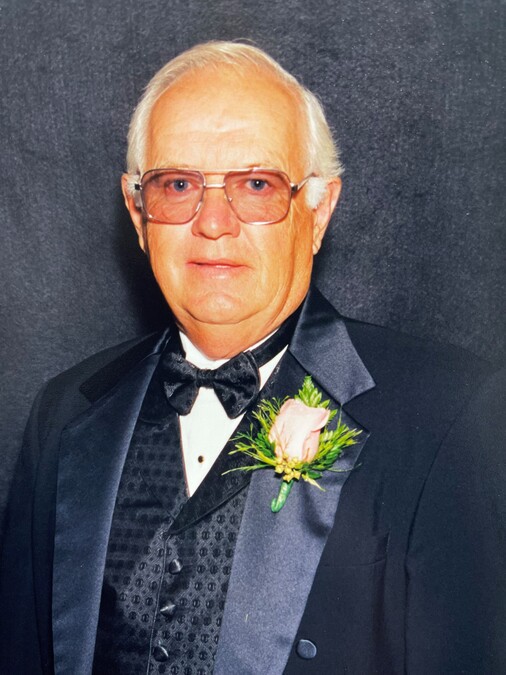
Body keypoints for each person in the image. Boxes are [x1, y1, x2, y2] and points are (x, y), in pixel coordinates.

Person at [1, 41, 505, 675]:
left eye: (257, 185)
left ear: (318, 210)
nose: (214, 222)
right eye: (178, 185)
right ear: (138, 212)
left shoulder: (449, 416)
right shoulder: (63, 414)